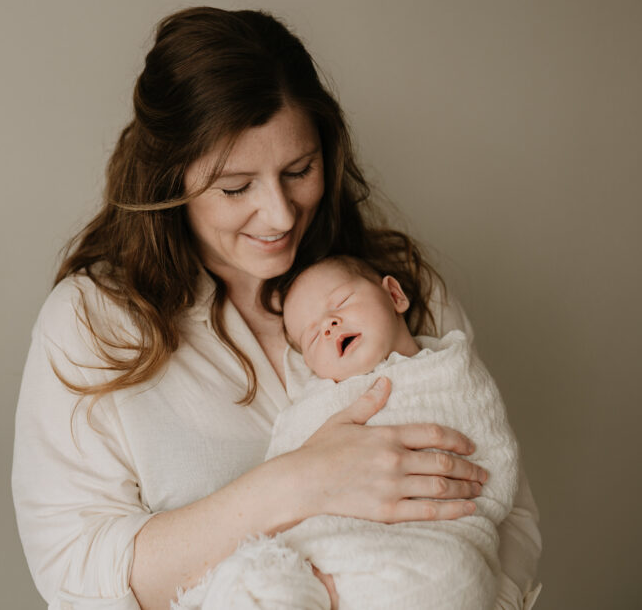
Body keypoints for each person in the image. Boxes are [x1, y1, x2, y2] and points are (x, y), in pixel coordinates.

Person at [12, 6, 542, 610]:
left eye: (299, 170)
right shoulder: (92, 324)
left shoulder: (398, 288)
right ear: (169, 182)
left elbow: (511, 517)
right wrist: (297, 483)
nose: (282, 214)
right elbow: (77, 572)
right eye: (236, 188)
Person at [173, 255, 520, 609]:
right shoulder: (320, 403)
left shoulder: (451, 370)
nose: (328, 326)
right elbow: (287, 468)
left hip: (430, 538)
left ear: (395, 295)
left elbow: (496, 459)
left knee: (459, 575)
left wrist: (466, 511)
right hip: (328, 543)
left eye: (340, 303)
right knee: (260, 581)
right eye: (311, 336)